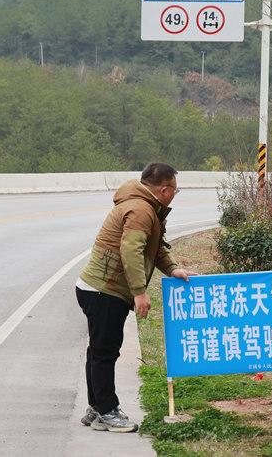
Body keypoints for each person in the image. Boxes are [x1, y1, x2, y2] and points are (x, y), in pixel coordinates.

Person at [75, 163, 196, 433]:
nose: (175, 195)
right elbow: (131, 250)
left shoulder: (145, 205)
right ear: (164, 189)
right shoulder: (142, 210)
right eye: (175, 190)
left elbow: (154, 248)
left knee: (98, 350)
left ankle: (96, 408)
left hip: (96, 287)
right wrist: (140, 292)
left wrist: (173, 269)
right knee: (105, 352)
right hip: (104, 289)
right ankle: (107, 411)